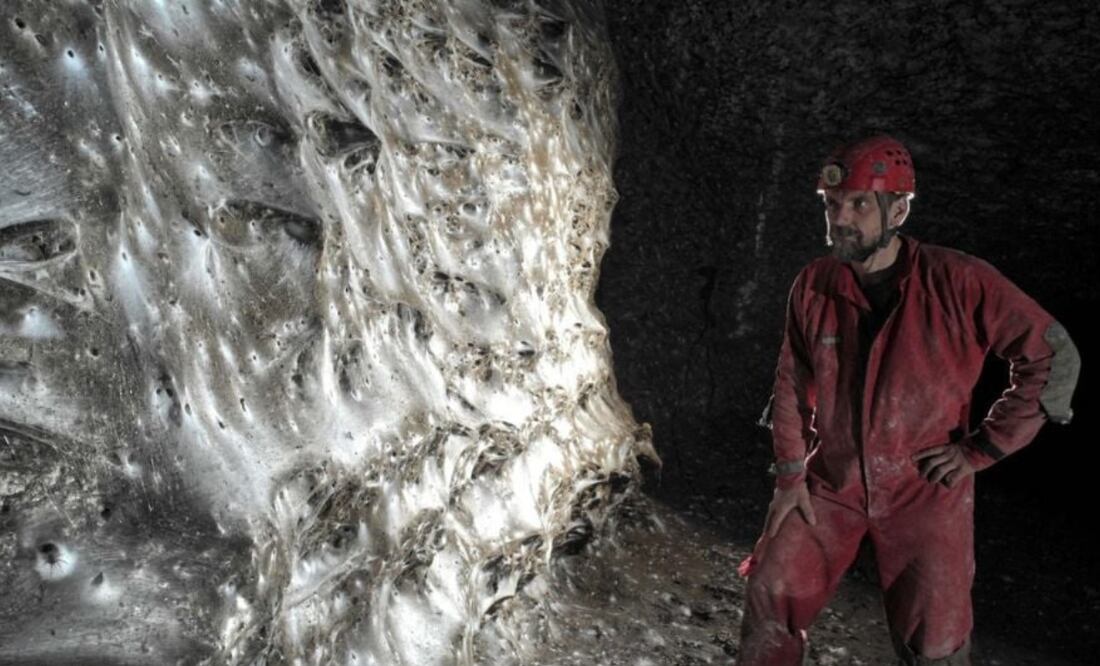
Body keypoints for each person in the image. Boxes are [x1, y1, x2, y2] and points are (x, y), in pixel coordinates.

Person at [735, 135, 1081, 665]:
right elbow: (790, 383)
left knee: (936, 642)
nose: (840, 219)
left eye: (857, 204)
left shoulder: (958, 281)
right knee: (770, 590)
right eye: (832, 205)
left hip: (925, 488)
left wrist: (981, 450)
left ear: (898, 209)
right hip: (834, 481)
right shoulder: (815, 284)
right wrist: (788, 477)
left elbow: (1053, 355)